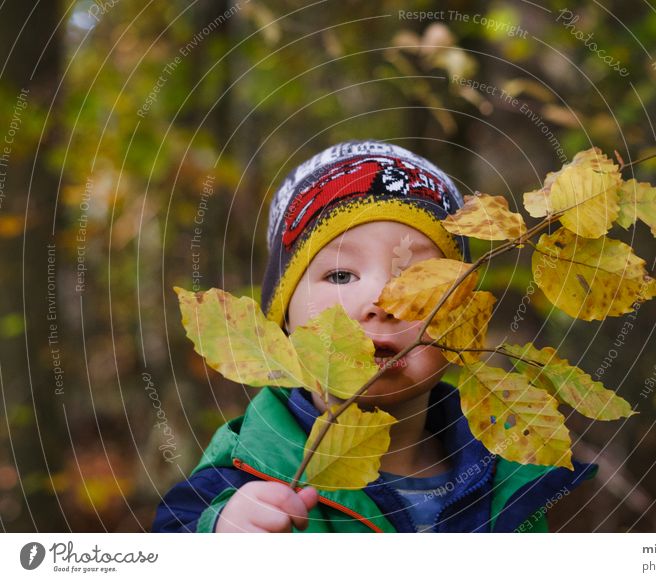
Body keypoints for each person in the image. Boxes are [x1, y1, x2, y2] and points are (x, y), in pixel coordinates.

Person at [152, 140, 597, 533]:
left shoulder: (511, 475)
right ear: (283, 320)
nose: (382, 301)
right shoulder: (238, 478)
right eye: (342, 274)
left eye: (421, 278)